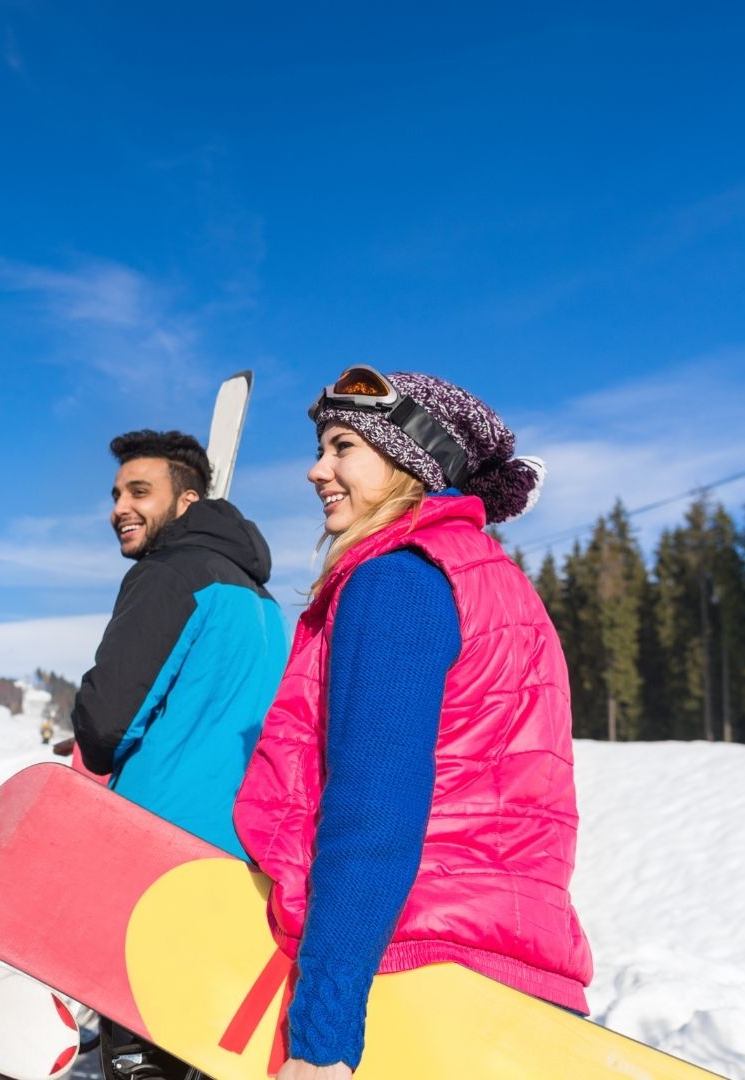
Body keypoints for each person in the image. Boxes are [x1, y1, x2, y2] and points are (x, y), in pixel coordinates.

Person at [233, 366, 591, 1077]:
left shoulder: (397, 579)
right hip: (510, 972)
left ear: (409, 460)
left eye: (341, 447)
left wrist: (324, 1035)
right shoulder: (493, 581)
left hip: (418, 975)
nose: (315, 470)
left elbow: (374, 809)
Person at [70, 430, 288, 857]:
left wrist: (87, 724)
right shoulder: (265, 602)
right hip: (241, 845)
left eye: (140, 492)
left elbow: (104, 726)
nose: (120, 509)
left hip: (154, 837)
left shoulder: (169, 575)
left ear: (188, 502)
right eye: (116, 496)